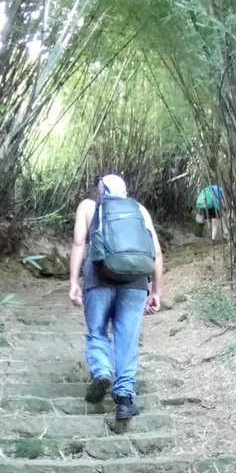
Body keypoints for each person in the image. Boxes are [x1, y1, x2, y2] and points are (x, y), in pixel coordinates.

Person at [68, 174, 163, 421]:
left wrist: (73, 282)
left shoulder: (88, 206)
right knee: (127, 339)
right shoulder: (139, 209)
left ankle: (101, 371)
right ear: (125, 191)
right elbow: (157, 252)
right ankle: (124, 397)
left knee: (97, 331)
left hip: (98, 279)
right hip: (135, 284)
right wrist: (156, 291)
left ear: (100, 189)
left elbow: (79, 243)